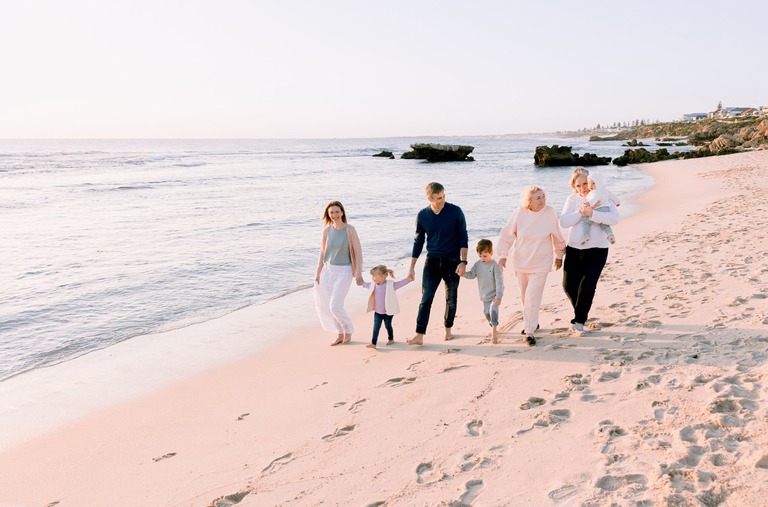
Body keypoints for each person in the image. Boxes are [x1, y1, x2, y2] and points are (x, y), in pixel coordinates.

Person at [498, 186, 565, 346]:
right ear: (529, 201)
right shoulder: (520, 213)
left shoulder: (549, 212)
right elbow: (507, 234)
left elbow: (557, 235)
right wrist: (502, 255)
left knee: (532, 297)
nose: (542, 201)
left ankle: (529, 331)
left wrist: (559, 255)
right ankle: (533, 322)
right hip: (521, 261)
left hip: (542, 262)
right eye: (538, 198)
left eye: (543, 197)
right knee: (524, 297)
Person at [559, 168, 620, 337]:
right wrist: (581, 213)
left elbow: (615, 219)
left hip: (597, 250)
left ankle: (579, 322)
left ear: (592, 181)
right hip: (573, 249)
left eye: (585, 183)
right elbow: (564, 222)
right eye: (578, 185)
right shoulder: (572, 199)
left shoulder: (603, 195)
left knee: (587, 287)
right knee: (568, 286)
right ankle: (582, 313)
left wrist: (592, 213)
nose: (583, 188)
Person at [407, 182, 469, 345]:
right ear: (430, 198)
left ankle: (448, 329)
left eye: (443, 196)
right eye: (438, 198)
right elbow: (418, 242)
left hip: (453, 261)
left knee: (451, 298)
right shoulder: (422, 215)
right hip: (432, 262)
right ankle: (419, 335)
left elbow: (463, 236)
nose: (443, 200)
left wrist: (463, 261)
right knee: (426, 298)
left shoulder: (455, 211)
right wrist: (411, 268)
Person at [314, 200, 364, 346]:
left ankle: (348, 330)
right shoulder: (326, 230)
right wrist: (318, 271)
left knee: (335, 305)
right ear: (328, 215)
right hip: (328, 271)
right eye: (331, 213)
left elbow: (358, 252)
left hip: (345, 271)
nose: (334, 215)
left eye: (337, 212)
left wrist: (359, 273)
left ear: (342, 212)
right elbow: (322, 252)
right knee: (326, 304)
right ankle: (339, 333)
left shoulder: (350, 230)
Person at [462, 239, 504, 343]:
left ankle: (494, 330)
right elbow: (471, 275)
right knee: (486, 313)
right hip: (484, 295)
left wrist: (498, 297)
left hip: (494, 294)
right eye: (480, 256)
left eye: (485, 256)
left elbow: (499, 283)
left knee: (493, 309)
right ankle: (492, 324)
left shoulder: (495, 266)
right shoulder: (477, 264)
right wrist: (462, 274)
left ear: (491, 253)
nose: (482, 258)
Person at [360, 265, 411, 349]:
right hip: (378, 312)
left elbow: (400, 283)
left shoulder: (390, 285)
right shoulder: (373, 285)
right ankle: (373, 343)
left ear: (383, 276)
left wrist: (408, 279)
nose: (372, 278)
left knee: (388, 325)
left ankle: (391, 339)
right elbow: (365, 284)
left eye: (374, 276)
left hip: (388, 312)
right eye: (372, 276)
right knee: (376, 326)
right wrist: (360, 281)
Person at [581, 171, 620, 245]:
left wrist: (588, 203)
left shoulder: (595, 192)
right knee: (605, 225)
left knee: (586, 222)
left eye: (593, 183)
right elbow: (612, 196)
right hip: (605, 210)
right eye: (589, 183)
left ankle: (586, 235)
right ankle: (610, 234)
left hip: (597, 210)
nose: (591, 186)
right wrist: (617, 202)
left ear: (598, 183)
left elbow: (594, 199)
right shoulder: (604, 190)